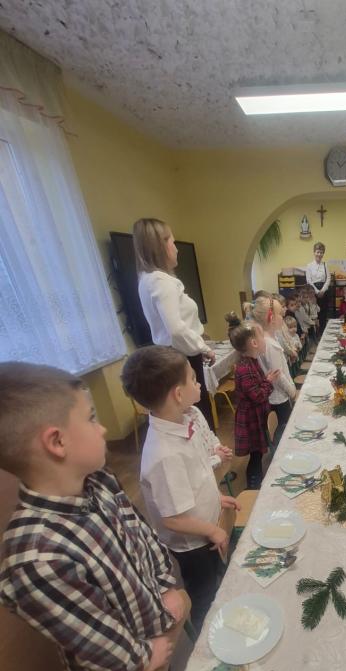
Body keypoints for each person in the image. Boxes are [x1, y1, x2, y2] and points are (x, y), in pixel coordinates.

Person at [0, 362, 185, 671]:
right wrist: (143, 657)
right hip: (116, 666)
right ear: (57, 442)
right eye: (91, 418)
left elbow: (142, 535)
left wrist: (165, 583)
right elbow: (92, 638)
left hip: (152, 625)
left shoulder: (99, 481)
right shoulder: (35, 558)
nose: (102, 429)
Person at [121, 347, 238, 636]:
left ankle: (222, 612)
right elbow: (173, 519)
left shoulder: (185, 420)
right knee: (204, 592)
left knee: (217, 578)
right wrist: (212, 531)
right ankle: (207, 637)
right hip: (194, 544)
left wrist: (215, 497)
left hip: (205, 526)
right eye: (193, 379)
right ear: (177, 394)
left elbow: (197, 476)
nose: (198, 383)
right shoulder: (165, 455)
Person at [133, 218, 216, 430]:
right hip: (182, 357)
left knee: (187, 415)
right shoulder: (161, 281)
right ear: (160, 246)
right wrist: (203, 348)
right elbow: (176, 329)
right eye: (172, 242)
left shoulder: (147, 279)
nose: (176, 249)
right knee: (197, 413)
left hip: (176, 354)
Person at [226, 313, 278, 489]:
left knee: (258, 453)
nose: (265, 339)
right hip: (251, 419)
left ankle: (256, 481)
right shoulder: (245, 368)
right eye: (262, 336)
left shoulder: (252, 362)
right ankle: (253, 485)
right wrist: (269, 382)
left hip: (256, 414)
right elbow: (258, 395)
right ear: (254, 343)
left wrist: (265, 381)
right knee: (255, 455)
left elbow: (257, 388)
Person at [249, 295, 296, 446]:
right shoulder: (270, 345)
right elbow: (278, 375)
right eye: (280, 314)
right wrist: (292, 392)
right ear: (271, 318)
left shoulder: (267, 339)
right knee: (283, 434)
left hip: (275, 396)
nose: (283, 315)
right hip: (279, 398)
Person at [305, 242, 331, 332]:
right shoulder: (309, 266)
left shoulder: (325, 265)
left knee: (323, 312)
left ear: (323, 253)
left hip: (324, 291)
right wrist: (317, 291)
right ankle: (315, 333)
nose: (319, 254)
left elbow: (328, 278)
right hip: (313, 292)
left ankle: (323, 332)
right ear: (314, 252)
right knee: (314, 313)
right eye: (318, 252)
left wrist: (323, 290)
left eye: (321, 252)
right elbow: (309, 280)